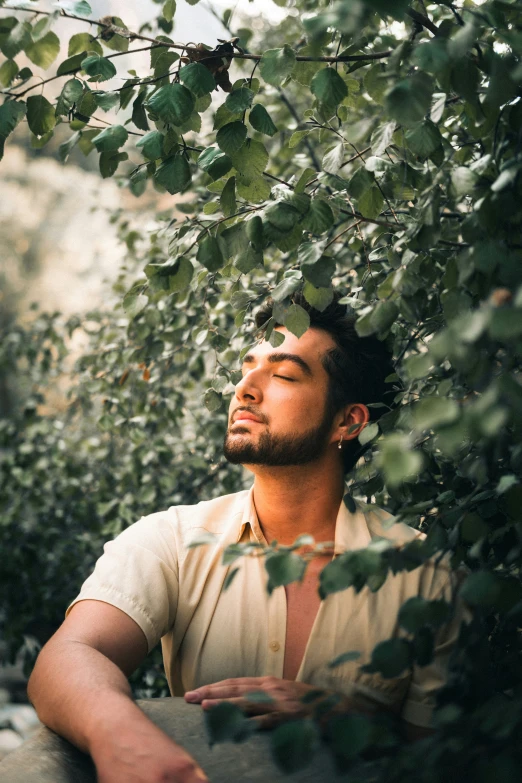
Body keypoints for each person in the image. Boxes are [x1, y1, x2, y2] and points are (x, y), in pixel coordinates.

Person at [28, 294, 465, 783]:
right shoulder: (172, 539)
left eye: (282, 375)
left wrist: (346, 718)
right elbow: (70, 655)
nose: (245, 390)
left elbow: (446, 759)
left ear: (349, 421)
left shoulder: (425, 574)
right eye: (247, 368)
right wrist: (124, 738)